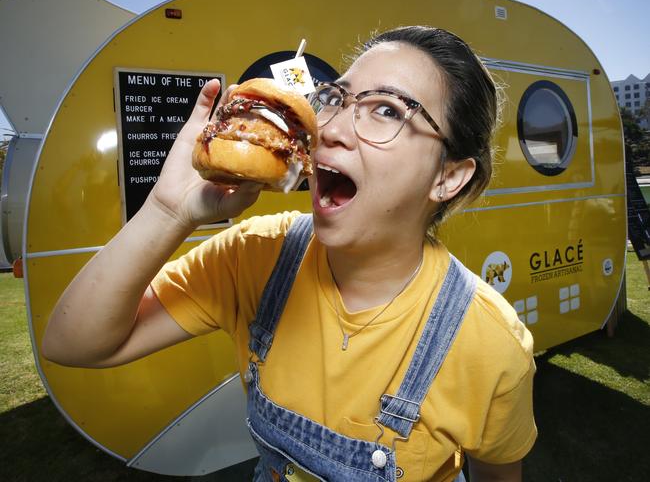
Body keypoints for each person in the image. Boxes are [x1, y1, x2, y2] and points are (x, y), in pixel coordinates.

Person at [43, 26, 536, 482]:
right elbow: (73, 345)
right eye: (335, 99)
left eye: (387, 109)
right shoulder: (254, 255)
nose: (334, 129)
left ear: (449, 177)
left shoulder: (489, 342)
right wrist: (168, 210)